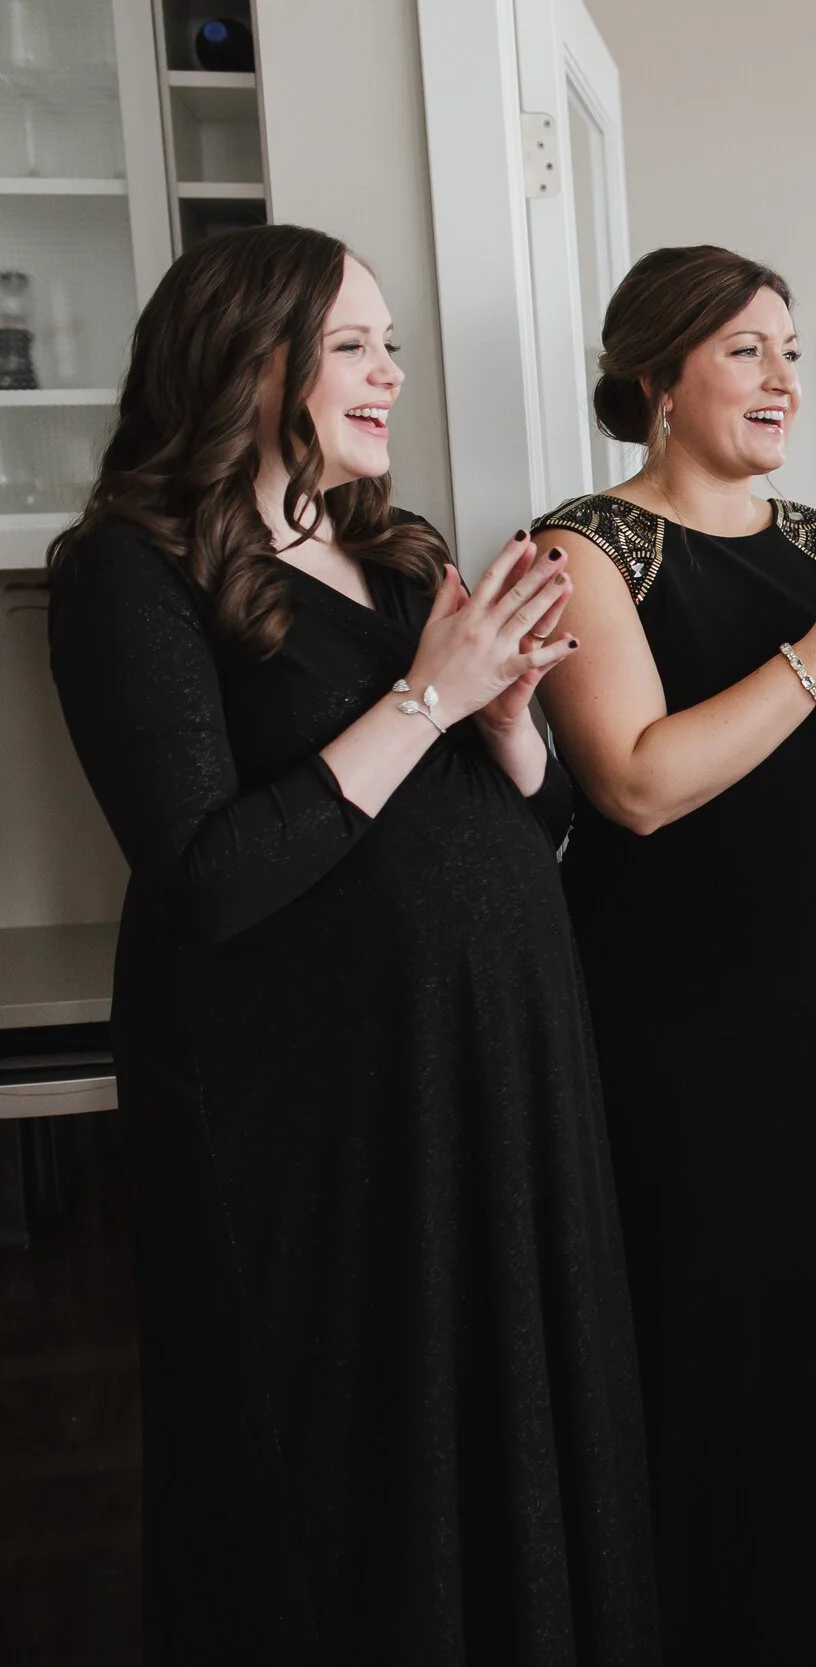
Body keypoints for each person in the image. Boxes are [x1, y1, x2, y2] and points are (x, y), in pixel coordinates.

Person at [45, 226, 654, 1663]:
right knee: (353, 1461)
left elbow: (538, 821)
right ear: (253, 361)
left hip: (493, 1067)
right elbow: (206, 876)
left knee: (514, 1420)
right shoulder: (128, 572)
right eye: (354, 345)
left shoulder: (399, 546)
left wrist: (505, 717)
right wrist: (429, 699)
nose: (391, 373)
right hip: (315, 1110)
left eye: (391, 345)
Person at [531, 245, 816, 1664]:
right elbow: (636, 783)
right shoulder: (583, 548)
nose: (782, 380)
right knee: (702, 1322)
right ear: (658, 375)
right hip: (673, 1016)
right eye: (746, 350)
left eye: (790, 351)